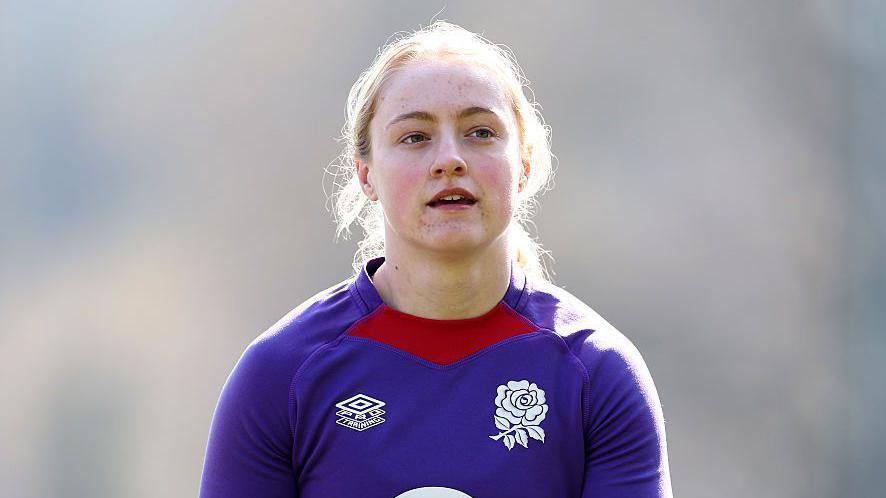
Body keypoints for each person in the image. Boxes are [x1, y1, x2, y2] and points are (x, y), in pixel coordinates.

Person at [199, 21, 672, 498]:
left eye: (480, 132)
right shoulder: (280, 375)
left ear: (524, 165)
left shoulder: (598, 374)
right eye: (415, 137)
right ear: (366, 174)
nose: (449, 159)